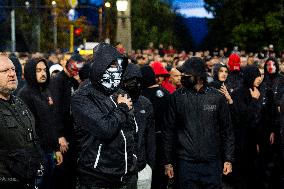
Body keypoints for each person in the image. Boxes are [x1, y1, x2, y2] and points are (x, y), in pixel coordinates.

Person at [71, 42, 138, 189]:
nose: (118, 70)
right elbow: (105, 129)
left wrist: (133, 161)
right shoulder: (82, 97)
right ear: (100, 67)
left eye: (120, 66)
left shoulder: (120, 93)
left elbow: (132, 131)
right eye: (113, 65)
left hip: (126, 177)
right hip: (97, 179)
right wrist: (122, 108)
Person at [163, 57, 234, 189]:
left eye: (186, 74)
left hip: (212, 163)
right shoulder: (176, 98)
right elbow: (168, 131)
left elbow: (227, 130)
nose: (182, 76)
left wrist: (228, 159)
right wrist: (168, 162)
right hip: (186, 163)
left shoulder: (216, 97)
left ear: (198, 75)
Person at [17, 58, 63, 189]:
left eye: (44, 70)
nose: (43, 73)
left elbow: (50, 122)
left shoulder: (45, 91)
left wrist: (56, 148)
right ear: (31, 72)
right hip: (36, 155)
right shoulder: (25, 94)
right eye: (38, 70)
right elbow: (27, 128)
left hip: (49, 152)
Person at [0, 54, 44, 188]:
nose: (12, 74)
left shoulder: (18, 102)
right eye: (5, 70)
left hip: (28, 180)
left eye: (13, 69)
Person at [49, 53, 85, 189]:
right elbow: (55, 110)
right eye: (74, 68)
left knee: (71, 170)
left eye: (78, 70)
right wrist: (59, 135)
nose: (76, 72)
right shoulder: (57, 81)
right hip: (62, 134)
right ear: (67, 65)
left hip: (72, 132)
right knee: (62, 171)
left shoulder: (73, 80)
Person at [122, 63, 156, 189]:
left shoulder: (145, 103)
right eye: (131, 80)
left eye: (138, 80)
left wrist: (150, 165)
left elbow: (150, 136)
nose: (135, 83)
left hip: (142, 168)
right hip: (121, 170)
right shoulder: (114, 101)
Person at [140, 66, 170, 189]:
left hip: (149, 141)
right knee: (162, 176)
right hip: (166, 139)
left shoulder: (142, 96)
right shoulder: (167, 93)